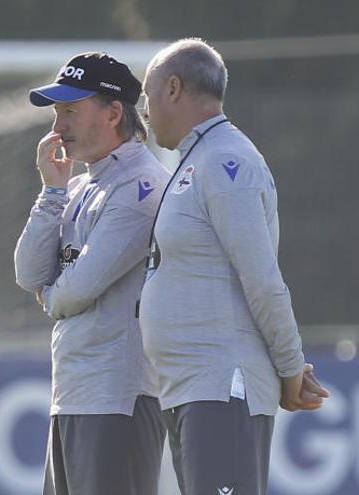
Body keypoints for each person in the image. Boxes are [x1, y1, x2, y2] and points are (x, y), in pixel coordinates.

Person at [138, 38, 330, 495]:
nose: (145, 112)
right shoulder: (196, 158)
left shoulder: (228, 160)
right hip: (191, 389)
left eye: (147, 97)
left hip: (224, 386)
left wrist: (289, 370)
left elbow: (262, 279)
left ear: (173, 88)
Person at [14, 52, 169, 495]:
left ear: (114, 112)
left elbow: (75, 290)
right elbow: (28, 273)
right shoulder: (78, 186)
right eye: (57, 112)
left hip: (119, 398)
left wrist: (53, 293)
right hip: (76, 392)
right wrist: (51, 192)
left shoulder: (143, 186)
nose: (58, 126)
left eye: (70, 111)